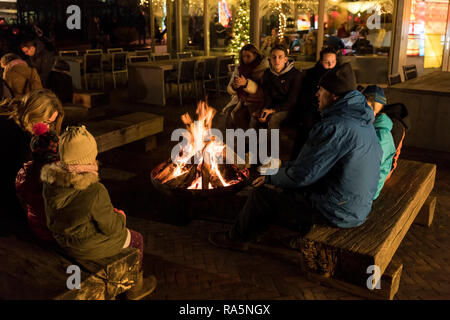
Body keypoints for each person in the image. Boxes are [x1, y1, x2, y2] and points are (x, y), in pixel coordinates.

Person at [208, 63, 382, 250]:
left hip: (338, 211)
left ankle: (237, 239)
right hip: (357, 206)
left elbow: (304, 174)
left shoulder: (335, 127)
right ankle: (266, 229)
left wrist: (270, 176)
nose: (317, 94)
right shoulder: (361, 121)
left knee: (263, 195)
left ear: (334, 96)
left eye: (321, 91)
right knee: (285, 186)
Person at [40, 126, 157, 300]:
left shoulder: (50, 183)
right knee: (137, 239)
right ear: (87, 159)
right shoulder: (94, 191)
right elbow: (112, 229)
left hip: (63, 240)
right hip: (86, 247)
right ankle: (135, 288)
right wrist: (120, 217)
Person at [0, 89, 64, 232]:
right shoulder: (18, 137)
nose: (47, 128)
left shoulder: (12, 116)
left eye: (51, 124)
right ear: (34, 112)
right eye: (46, 122)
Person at [289, 46, 339, 160]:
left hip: (333, 110)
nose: (330, 65)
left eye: (333, 62)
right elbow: (305, 96)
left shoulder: (338, 74)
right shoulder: (312, 74)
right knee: (307, 127)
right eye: (327, 62)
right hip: (313, 108)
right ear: (321, 61)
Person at [15, 123, 60, 244]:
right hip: (56, 232)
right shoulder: (61, 174)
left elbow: (21, 194)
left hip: (35, 227)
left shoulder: (26, 171)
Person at [222, 44, 269, 130]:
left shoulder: (263, 68)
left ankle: (249, 140)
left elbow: (262, 89)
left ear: (255, 55)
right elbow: (230, 87)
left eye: (248, 56)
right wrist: (234, 86)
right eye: (244, 56)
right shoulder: (240, 68)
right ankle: (239, 140)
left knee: (250, 119)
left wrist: (246, 83)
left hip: (258, 101)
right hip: (241, 99)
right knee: (230, 114)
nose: (245, 59)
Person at [361, 85, 396, 199]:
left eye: (374, 109)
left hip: (367, 193)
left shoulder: (382, 136)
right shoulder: (369, 126)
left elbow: (368, 168)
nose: (372, 114)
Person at [257, 45, 302, 131]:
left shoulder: (295, 75)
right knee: (257, 117)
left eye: (280, 57)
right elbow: (267, 95)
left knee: (274, 119)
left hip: (289, 109)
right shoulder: (267, 73)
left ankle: (273, 144)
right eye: (274, 57)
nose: (276, 60)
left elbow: (292, 101)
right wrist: (265, 109)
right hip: (272, 106)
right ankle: (251, 143)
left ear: (285, 59)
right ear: (270, 59)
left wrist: (272, 110)